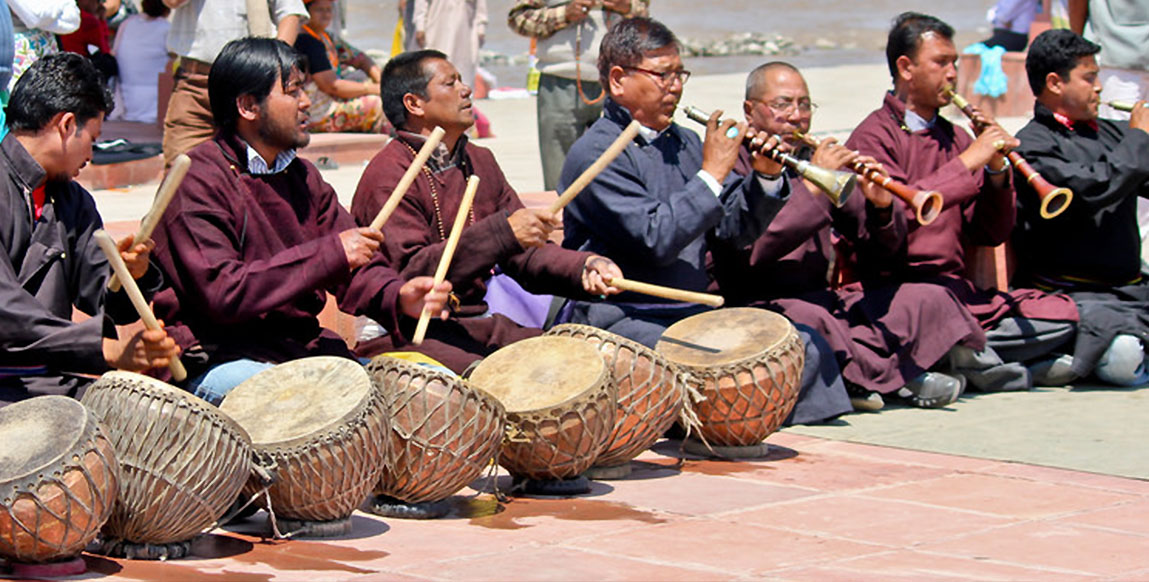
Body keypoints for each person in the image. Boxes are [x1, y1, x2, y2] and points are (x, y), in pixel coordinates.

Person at [560, 17, 851, 424]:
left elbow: (732, 233)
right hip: (625, 317)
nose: (675, 87)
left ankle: (742, 416)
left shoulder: (685, 142)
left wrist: (765, 177)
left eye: (679, 74)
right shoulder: (595, 154)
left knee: (803, 345)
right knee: (699, 367)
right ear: (618, 79)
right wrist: (712, 174)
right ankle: (733, 418)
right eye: (662, 75)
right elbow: (655, 238)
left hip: (691, 314)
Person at [149, 38, 452, 405]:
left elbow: (356, 265)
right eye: (293, 92)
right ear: (247, 106)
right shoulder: (196, 179)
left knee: (438, 385)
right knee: (302, 401)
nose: (306, 103)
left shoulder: (303, 176)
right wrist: (331, 254)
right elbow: (223, 293)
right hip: (219, 356)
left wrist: (399, 295)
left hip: (297, 349)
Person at [708, 62, 986, 410]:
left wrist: (881, 208)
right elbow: (753, 248)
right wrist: (815, 184)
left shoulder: (813, 156)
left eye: (805, 104)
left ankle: (861, 376)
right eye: (782, 104)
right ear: (750, 109)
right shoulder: (734, 160)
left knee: (928, 298)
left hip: (822, 298)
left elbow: (882, 258)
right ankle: (898, 378)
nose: (796, 116)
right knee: (815, 321)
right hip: (757, 303)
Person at [845, 12, 1079, 393]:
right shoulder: (872, 137)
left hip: (960, 294)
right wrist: (970, 160)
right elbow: (898, 216)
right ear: (905, 67)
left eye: (954, 63)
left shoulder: (955, 136)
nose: (953, 74)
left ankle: (963, 357)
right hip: (900, 294)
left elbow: (990, 232)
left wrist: (997, 171)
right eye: (941, 63)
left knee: (1061, 314)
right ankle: (987, 360)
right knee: (936, 308)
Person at [350, 50, 623, 374]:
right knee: (502, 379)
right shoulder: (389, 175)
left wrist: (584, 266)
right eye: (450, 83)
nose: (465, 90)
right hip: (406, 333)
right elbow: (411, 275)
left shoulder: (479, 160)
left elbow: (524, 254)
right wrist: (501, 234)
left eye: (462, 81)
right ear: (414, 104)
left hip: (473, 324)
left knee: (579, 357)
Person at [1, 53, 178, 406]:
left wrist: (129, 276)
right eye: (93, 139)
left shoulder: (72, 199)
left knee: (164, 420)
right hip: (6, 387)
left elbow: (104, 300)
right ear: (67, 125)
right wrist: (106, 350)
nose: (92, 156)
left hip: (54, 381)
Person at [1013, 29, 1149, 386]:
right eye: (1089, 78)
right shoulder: (1030, 146)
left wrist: (1138, 141)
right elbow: (1093, 189)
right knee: (1125, 358)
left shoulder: (1114, 133)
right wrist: (1138, 140)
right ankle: (1069, 360)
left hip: (1131, 289)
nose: (1099, 88)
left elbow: (1136, 172)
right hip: (1076, 295)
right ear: (1055, 83)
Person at [508, 0, 648, 190]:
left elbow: (644, 15)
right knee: (559, 177)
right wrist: (565, 14)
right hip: (560, 82)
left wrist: (625, 7)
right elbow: (519, 19)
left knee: (621, 172)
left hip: (619, 79)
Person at [161, 0, 307, 168]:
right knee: (181, 169)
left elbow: (290, 14)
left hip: (255, 85)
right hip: (197, 84)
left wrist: (274, 66)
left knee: (259, 170)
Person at [294, 0, 387, 133]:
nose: (325, 15)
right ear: (307, 13)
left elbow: (361, 59)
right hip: (317, 113)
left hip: (335, 99)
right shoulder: (305, 41)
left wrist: (380, 81)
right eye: (319, 10)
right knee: (377, 104)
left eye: (329, 10)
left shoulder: (328, 37)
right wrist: (372, 88)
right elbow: (332, 86)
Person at [112, 0, 169, 123]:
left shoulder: (127, 24)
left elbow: (115, 53)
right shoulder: (166, 28)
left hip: (126, 99)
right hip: (156, 102)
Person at [7, 0, 80, 91]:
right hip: (16, 63)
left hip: (49, 65)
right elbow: (34, 16)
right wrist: (64, 3)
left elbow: (73, 21)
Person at [412, 0, 485, 88]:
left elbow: (480, 6)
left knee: (464, 72)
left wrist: (481, 27)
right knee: (435, 69)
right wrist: (420, 26)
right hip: (436, 29)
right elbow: (421, 3)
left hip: (465, 32)